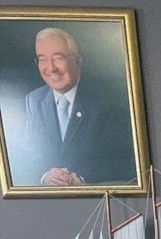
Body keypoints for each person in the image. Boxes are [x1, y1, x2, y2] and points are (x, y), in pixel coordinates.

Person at [14, 27, 136, 186]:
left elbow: (129, 161)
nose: (51, 68)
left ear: (77, 61)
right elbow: (27, 157)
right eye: (42, 59)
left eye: (58, 58)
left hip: (94, 194)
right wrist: (45, 176)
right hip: (48, 199)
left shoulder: (108, 101)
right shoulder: (34, 100)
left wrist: (82, 178)